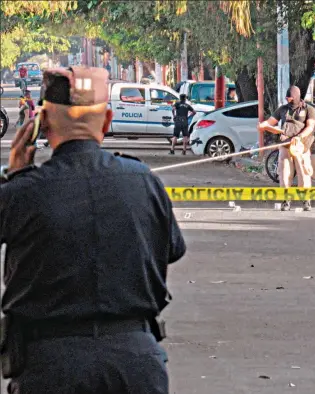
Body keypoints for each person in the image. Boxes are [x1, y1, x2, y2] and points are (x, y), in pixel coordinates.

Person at [0, 66, 186, 394]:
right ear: (108, 119)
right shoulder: (144, 182)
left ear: (41, 123)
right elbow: (173, 249)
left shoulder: (22, 192)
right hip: (136, 365)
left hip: (51, 368)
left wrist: (15, 174)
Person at [258, 86, 315, 211]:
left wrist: (299, 137)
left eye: (289, 97)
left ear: (295, 96)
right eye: (286, 98)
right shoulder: (282, 110)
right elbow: (270, 122)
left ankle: (306, 200)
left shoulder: (309, 109)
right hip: (285, 145)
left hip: (302, 146)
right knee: (284, 172)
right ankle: (286, 200)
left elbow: (310, 127)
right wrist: (264, 125)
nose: (288, 100)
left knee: (303, 173)